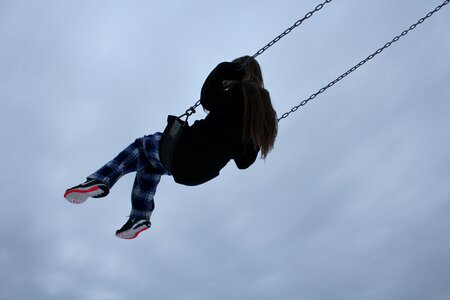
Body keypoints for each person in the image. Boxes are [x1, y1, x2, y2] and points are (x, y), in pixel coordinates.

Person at [64, 56, 278, 239]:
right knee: (150, 165)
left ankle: (100, 181)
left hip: (188, 151)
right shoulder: (260, 118)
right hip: (200, 172)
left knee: (143, 146)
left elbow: (209, 98)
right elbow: (244, 162)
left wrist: (224, 68)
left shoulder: (242, 93)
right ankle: (139, 216)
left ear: (241, 72)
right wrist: (257, 140)